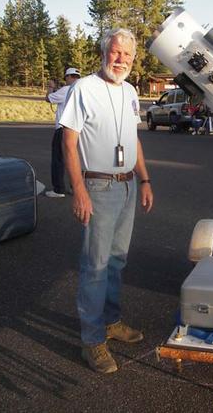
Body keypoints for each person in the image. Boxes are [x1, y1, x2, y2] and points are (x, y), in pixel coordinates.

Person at [60, 28, 153, 374]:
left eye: (127, 55)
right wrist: (79, 190)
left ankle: (111, 322)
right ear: (104, 53)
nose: (121, 60)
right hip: (97, 187)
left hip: (128, 186)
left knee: (116, 260)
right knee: (95, 267)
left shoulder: (130, 92)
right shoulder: (82, 88)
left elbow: (134, 140)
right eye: (116, 52)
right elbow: (68, 144)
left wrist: (144, 179)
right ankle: (92, 340)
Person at [45, 68, 81, 198]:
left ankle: (58, 189)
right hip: (78, 129)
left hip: (62, 129)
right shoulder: (81, 90)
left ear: (68, 77)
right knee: (75, 159)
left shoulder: (65, 90)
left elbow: (48, 99)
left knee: (58, 159)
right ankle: (75, 187)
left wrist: (50, 87)